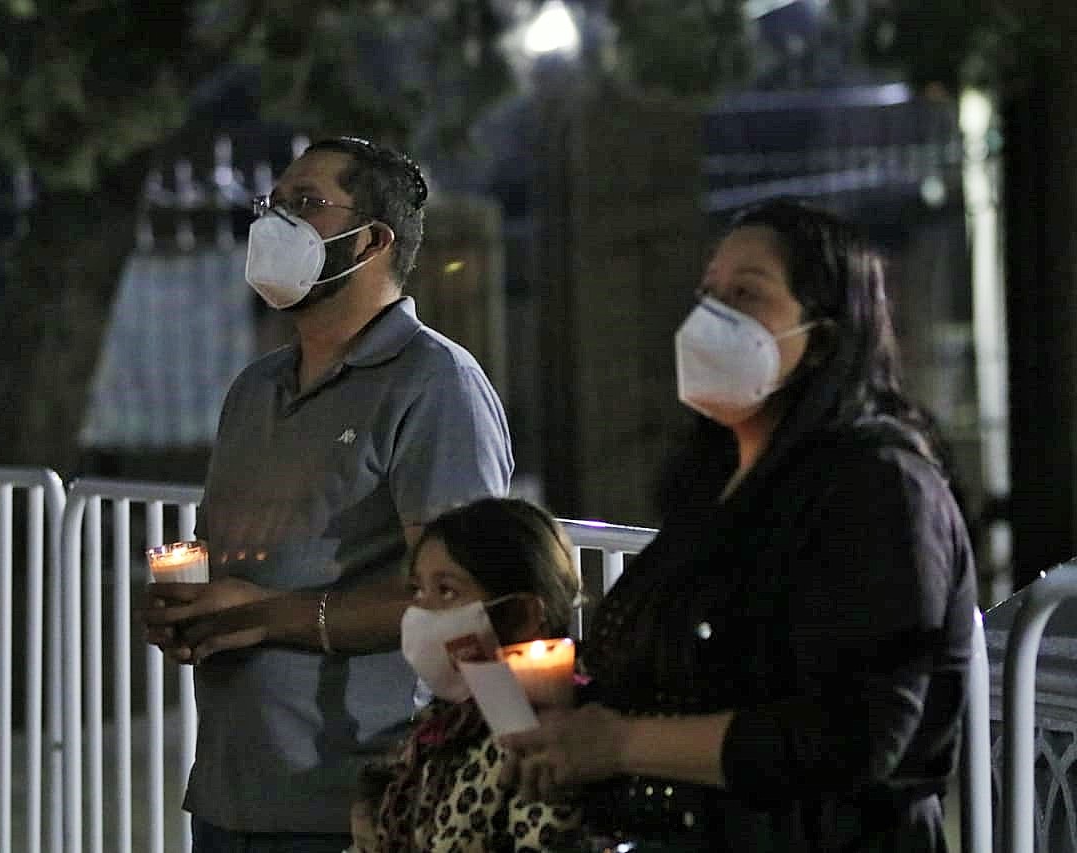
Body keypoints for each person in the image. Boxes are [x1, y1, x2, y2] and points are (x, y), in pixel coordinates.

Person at [500, 198, 977, 852]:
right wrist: (558, 702)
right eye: (708, 293)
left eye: (746, 294)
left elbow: (856, 731)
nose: (711, 317)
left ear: (824, 339)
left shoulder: (878, 485)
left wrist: (621, 744)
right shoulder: (717, 486)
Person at [142, 136, 514, 852]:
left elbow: (464, 600)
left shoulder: (436, 384)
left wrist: (265, 615)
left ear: (372, 241)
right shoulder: (254, 389)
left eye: (305, 204)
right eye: (270, 203)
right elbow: (226, 560)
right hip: (227, 794)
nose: (272, 223)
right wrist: (187, 608)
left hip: (357, 805)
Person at [355, 497, 584, 853]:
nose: (421, 612)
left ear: (522, 614)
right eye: (418, 590)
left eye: (447, 591)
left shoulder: (542, 740)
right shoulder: (440, 729)